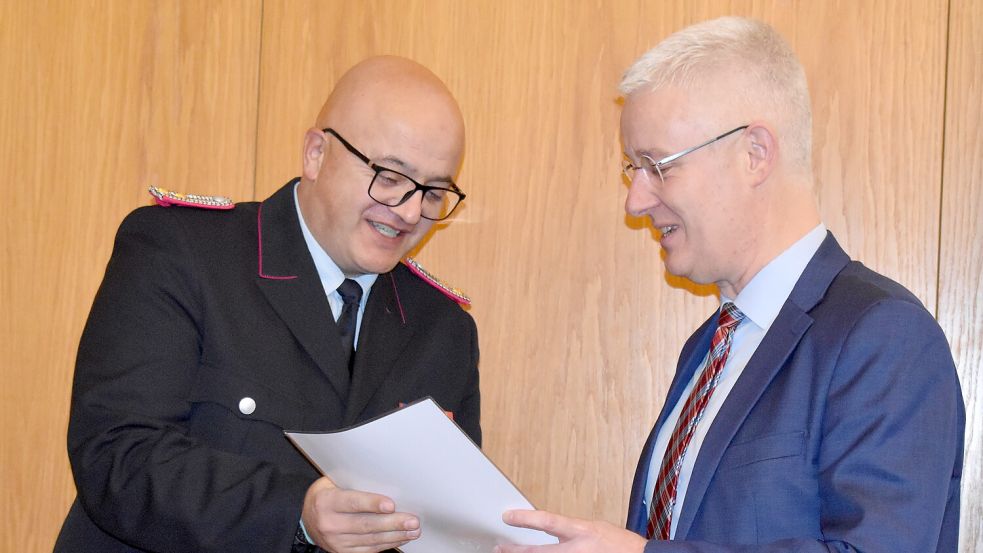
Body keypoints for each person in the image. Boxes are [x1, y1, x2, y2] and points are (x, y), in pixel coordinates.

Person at [498, 16, 964, 553]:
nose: (636, 201)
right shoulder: (707, 347)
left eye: (657, 166)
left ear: (754, 154)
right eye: (633, 169)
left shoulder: (885, 337)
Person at [54, 56, 480, 553]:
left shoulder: (443, 331)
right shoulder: (182, 252)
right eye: (389, 176)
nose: (409, 211)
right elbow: (117, 456)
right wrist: (294, 513)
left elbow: (447, 524)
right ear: (316, 153)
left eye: (433, 192)